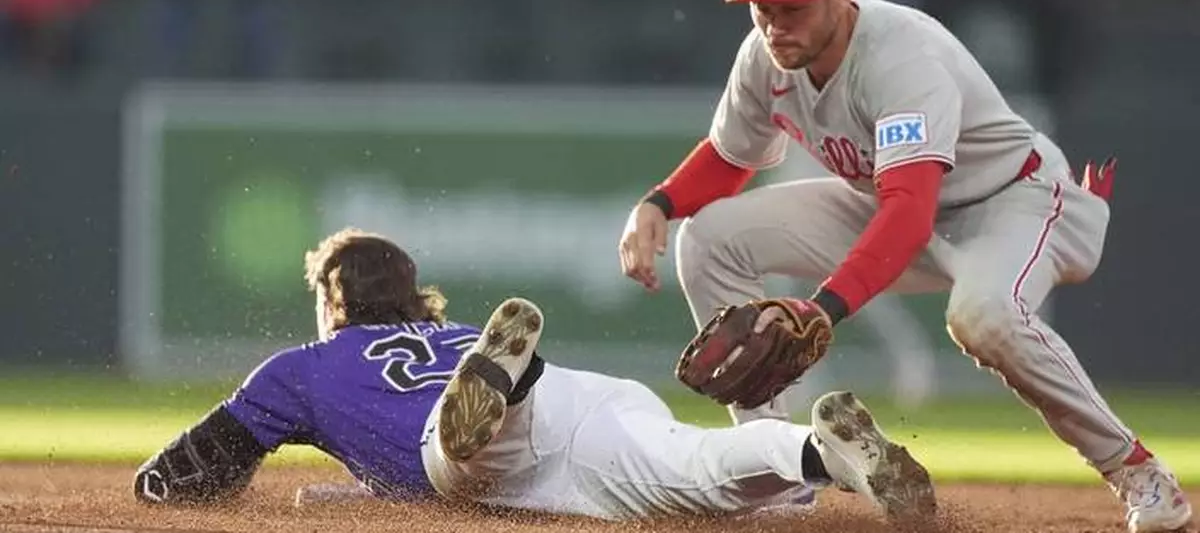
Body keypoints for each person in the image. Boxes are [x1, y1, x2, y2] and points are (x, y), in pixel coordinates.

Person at [616, 0, 1192, 533]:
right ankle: (772, 466)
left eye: (794, 7)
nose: (776, 24)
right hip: (892, 201)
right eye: (762, 6)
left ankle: (1140, 473)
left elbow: (911, 213)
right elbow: (732, 155)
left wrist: (822, 309)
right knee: (709, 238)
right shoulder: (764, 55)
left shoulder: (899, 57)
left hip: (1011, 201)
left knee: (983, 315)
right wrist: (661, 203)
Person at [131, 227, 936, 523]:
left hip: (486, 456)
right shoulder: (444, 328)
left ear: (331, 304)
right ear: (412, 295)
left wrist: (156, 487)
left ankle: (481, 406)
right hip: (579, 394)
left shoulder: (300, 369)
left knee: (454, 465)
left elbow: (186, 476)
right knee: (694, 466)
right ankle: (823, 452)